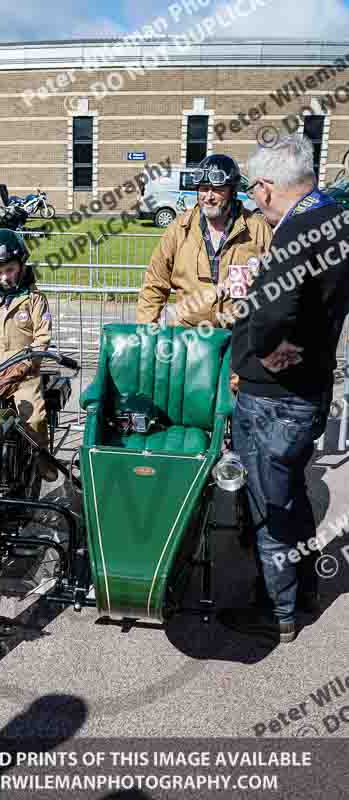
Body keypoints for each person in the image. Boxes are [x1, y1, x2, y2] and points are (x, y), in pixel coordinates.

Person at [219, 134, 349, 643]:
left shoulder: (297, 232)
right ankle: (302, 590)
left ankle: (279, 612)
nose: (253, 202)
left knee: (270, 504)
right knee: (291, 494)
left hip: (275, 398)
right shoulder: (334, 216)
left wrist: (270, 355)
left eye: (252, 193)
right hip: (306, 389)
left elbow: (274, 317)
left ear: (266, 188)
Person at [136, 155, 273, 349]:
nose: (208, 196)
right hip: (187, 339)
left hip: (238, 339)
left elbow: (276, 284)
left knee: (231, 380)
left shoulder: (258, 229)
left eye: (217, 190)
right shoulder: (178, 229)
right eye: (203, 188)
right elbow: (154, 285)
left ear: (232, 191)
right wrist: (146, 334)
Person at [0, 228, 57, 482]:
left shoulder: (34, 299)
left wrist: (27, 364)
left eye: (9, 269)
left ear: (21, 265)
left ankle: (43, 459)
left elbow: (43, 338)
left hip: (23, 373)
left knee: (34, 416)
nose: (3, 277)